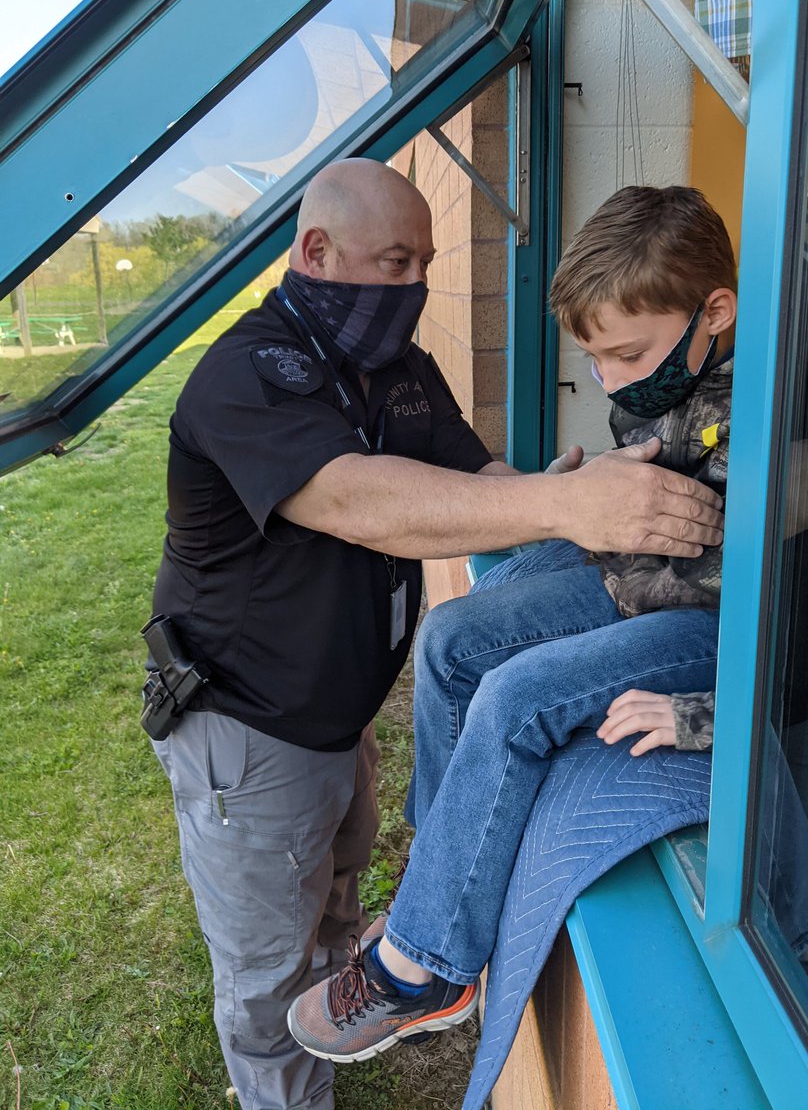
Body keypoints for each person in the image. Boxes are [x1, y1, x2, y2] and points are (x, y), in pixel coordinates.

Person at [146, 161, 726, 1110]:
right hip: (247, 737)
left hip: (340, 725)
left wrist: (567, 495)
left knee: (335, 898)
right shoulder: (242, 379)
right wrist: (567, 505)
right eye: (393, 261)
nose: (414, 287)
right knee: (264, 975)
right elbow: (364, 504)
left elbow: (476, 479)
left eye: (425, 262)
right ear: (317, 253)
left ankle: (392, 950)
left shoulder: (398, 369)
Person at [286, 185, 808, 1066]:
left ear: (715, 310)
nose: (610, 379)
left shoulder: (798, 423)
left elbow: (778, 602)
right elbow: (645, 531)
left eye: (625, 354)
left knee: (517, 694)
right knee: (452, 640)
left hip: (727, 636)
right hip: (660, 591)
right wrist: (592, 503)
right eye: (594, 358)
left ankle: (425, 966)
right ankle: (444, 876)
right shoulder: (695, 374)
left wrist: (625, 533)